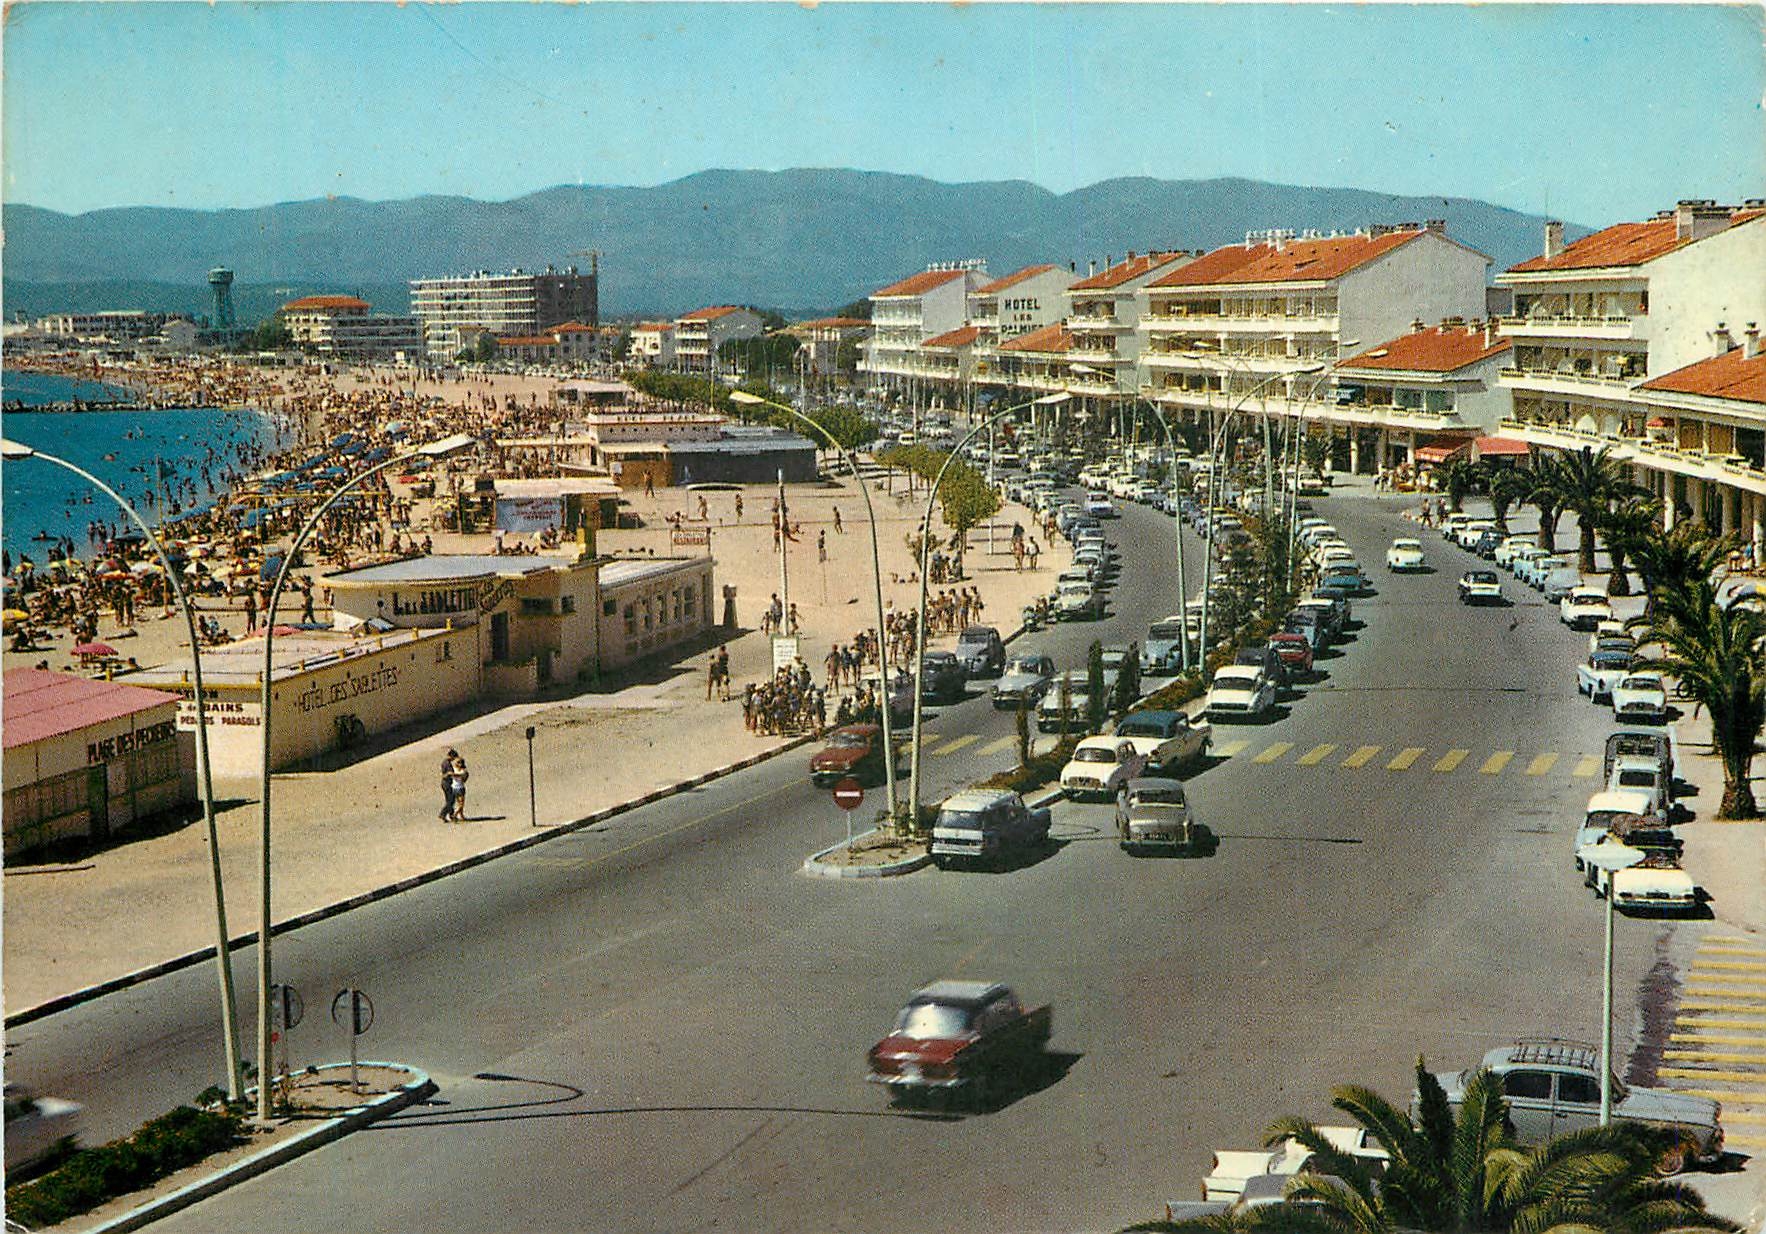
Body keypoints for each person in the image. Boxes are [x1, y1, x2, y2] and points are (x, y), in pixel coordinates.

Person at [449, 752, 469, 821]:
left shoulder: (462, 771)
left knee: (460, 803)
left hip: (457, 788)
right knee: (460, 804)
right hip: (458, 788)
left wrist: (452, 774)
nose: (456, 763)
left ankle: (461, 815)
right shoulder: (457, 769)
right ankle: (456, 814)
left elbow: (459, 776)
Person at [440, 749, 459, 821]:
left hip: (446, 783)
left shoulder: (444, 762)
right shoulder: (447, 763)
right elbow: (449, 773)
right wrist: (458, 775)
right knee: (450, 800)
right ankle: (443, 814)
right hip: (447, 784)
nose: (453, 759)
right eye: (453, 757)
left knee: (450, 800)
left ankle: (451, 815)